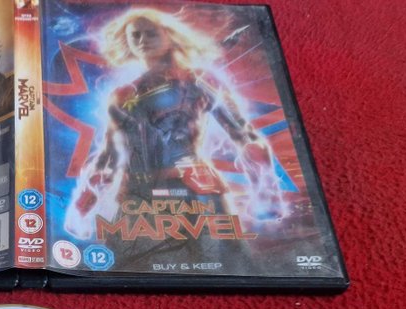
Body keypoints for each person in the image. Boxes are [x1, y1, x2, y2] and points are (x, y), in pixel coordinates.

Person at [64, 9, 284, 267]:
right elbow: (109, 155)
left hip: (192, 190)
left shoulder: (197, 80)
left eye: (151, 33)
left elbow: (243, 134)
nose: (143, 40)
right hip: (137, 195)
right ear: (128, 42)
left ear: (168, 35)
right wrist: (82, 206)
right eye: (136, 35)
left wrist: (266, 195)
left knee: (221, 267)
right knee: (126, 272)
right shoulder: (122, 95)